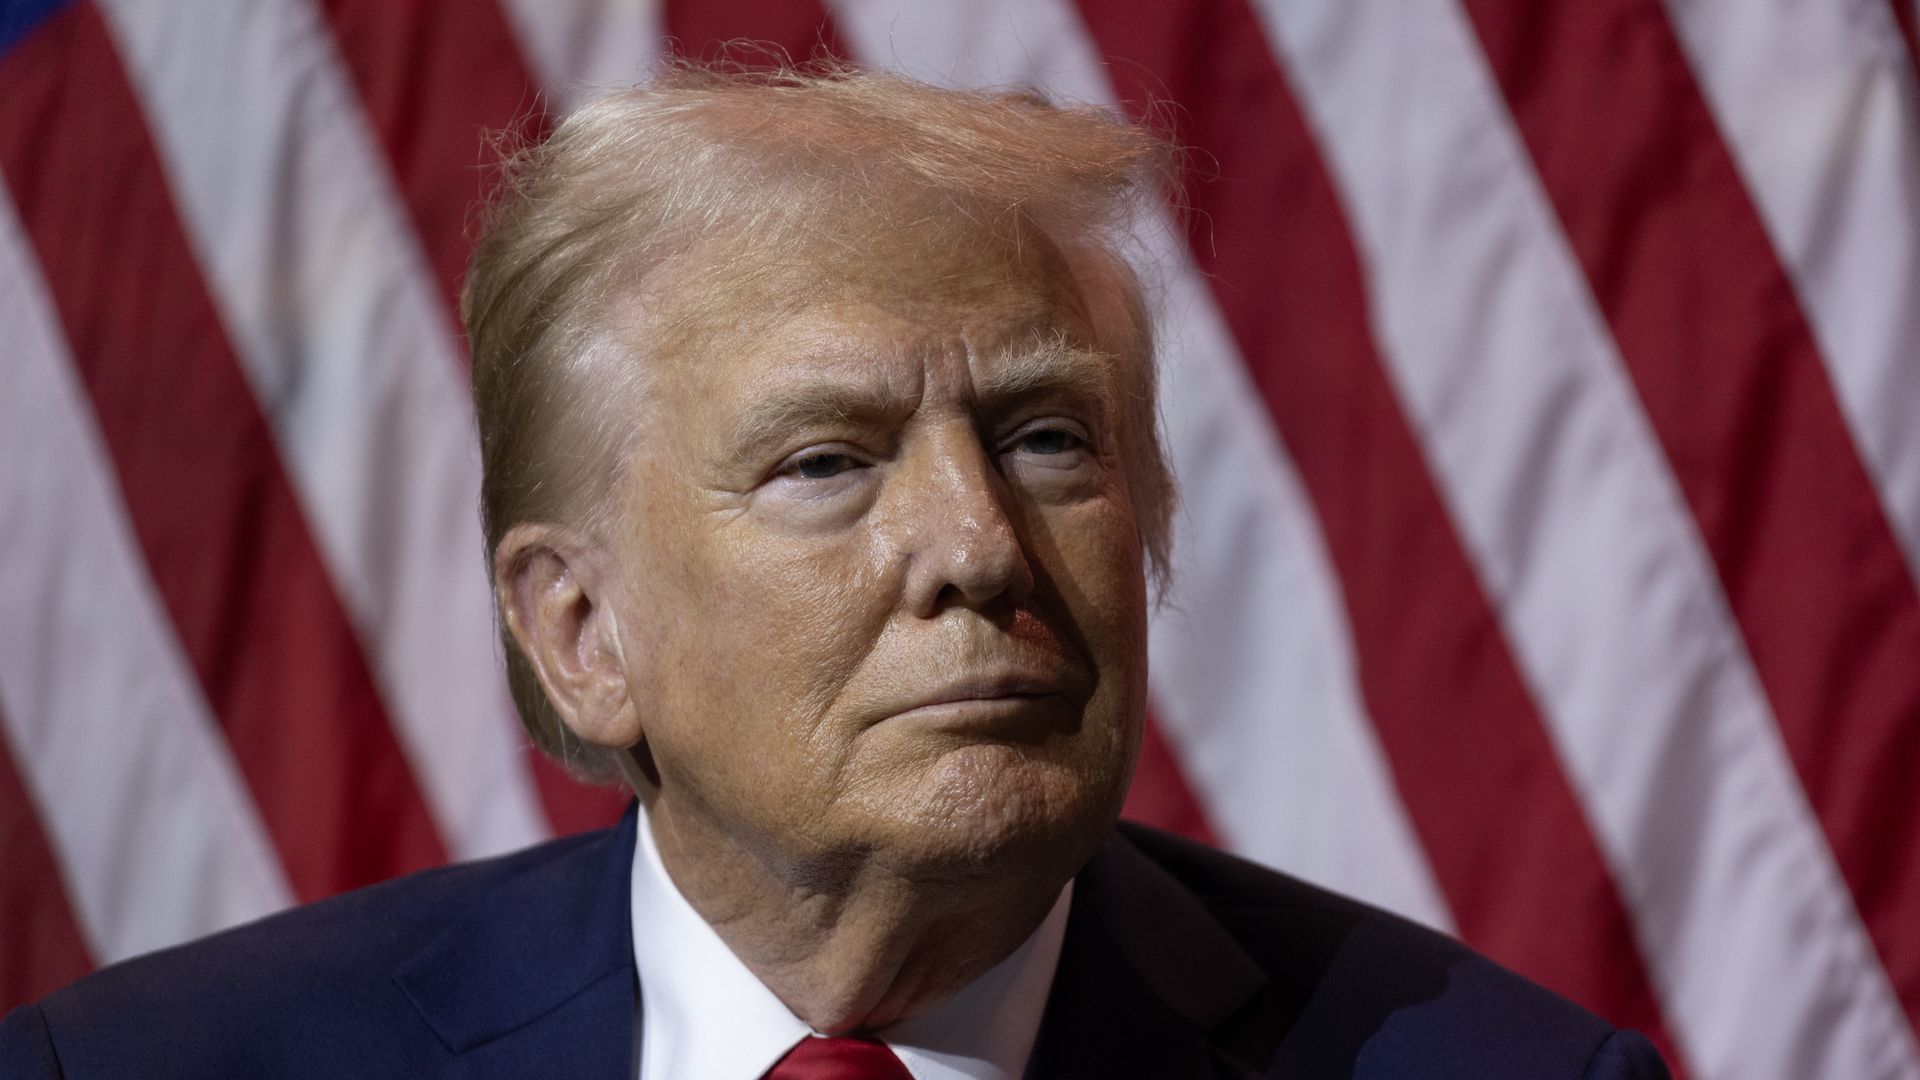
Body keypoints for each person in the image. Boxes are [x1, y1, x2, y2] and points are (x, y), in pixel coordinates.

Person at [0, 66, 1670, 1079]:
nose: (974, 548)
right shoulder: (156, 1079)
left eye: (1046, 440)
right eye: (826, 463)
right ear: (581, 632)